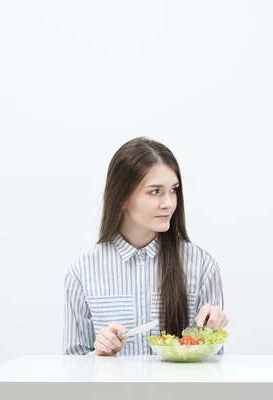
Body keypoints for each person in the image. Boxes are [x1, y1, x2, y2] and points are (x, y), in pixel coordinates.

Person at [64, 137, 228, 355]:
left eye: (173, 190)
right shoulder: (82, 271)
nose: (168, 203)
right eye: (155, 191)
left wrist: (213, 332)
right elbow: (72, 366)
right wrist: (100, 354)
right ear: (122, 197)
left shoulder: (202, 267)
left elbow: (213, 367)